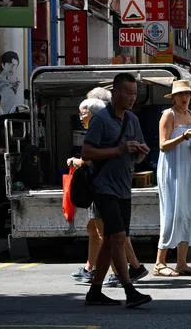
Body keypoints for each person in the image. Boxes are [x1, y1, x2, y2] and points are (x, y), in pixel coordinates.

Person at [80, 73, 153, 308]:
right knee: (119, 237)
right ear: (116, 92)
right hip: (104, 188)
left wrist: (140, 151)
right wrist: (120, 149)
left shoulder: (132, 119)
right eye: (128, 93)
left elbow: (138, 154)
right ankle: (130, 291)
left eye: (135, 94)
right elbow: (87, 153)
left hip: (124, 188)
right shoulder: (101, 119)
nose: (132, 98)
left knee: (112, 239)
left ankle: (95, 291)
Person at [68, 94, 147, 288]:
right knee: (105, 233)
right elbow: (91, 154)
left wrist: (75, 161)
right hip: (103, 188)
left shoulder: (121, 121)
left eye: (83, 113)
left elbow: (87, 157)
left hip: (113, 187)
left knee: (112, 235)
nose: (80, 117)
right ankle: (102, 278)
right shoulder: (100, 125)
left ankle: (125, 273)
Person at [154, 80, 191, 277]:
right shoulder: (168, 115)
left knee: (187, 213)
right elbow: (163, 145)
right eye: (180, 95)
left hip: (190, 168)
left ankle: (181, 262)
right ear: (174, 97)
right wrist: (184, 137)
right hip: (173, 169)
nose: (184, 98)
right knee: (172, 214)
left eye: (187, 94)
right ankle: (160, 263)